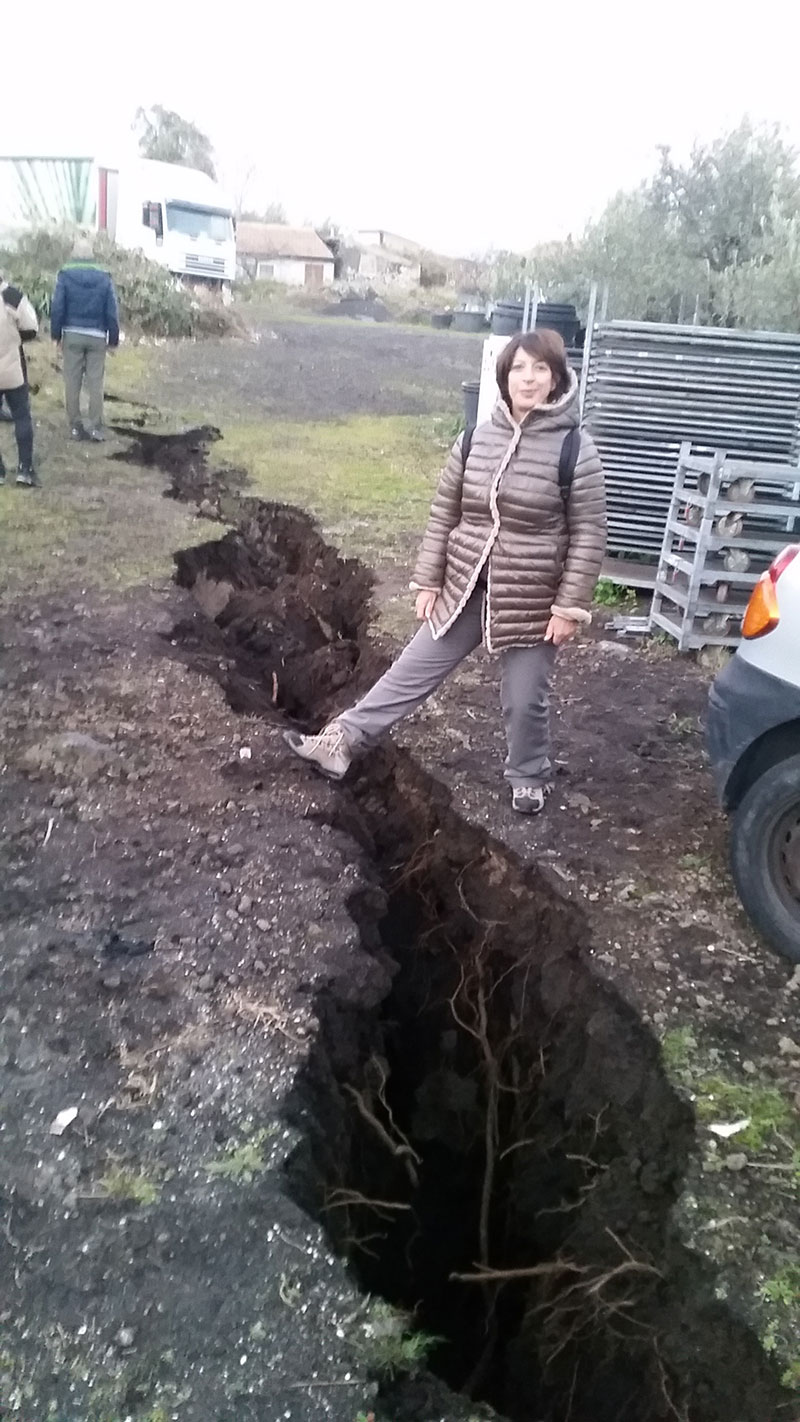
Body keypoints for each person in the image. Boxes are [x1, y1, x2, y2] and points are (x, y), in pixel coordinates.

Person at [285, 329, 607, 814]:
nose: (528, 378)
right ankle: (341, 743)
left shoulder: (575, 449)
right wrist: (429, 579)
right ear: (504, 376)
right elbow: (445, 513)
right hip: (465, 585)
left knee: (525, 701)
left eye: (540, 369)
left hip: (532, 599)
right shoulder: (476, 436)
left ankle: (528, 776)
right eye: (519, 367)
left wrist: (569, 606)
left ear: (557, 378)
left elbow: (589, 532)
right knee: (408, 672)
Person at [50, 236, 120, 442]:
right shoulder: (104, 277)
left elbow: (58, 307)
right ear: (92, 255)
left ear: (73, 253)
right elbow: (111, 312)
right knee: (95, 383)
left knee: (72, 382)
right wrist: (113, 339)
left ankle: (75, 427)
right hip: (97, 336)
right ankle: (96, 427)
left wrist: (56, 335)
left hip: (71, 334)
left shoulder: (65, 276)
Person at [0, 273, 39, 488]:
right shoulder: (11, 296)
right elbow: (31, 326)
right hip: (12, 367)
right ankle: (25, 469)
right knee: (22, 415)